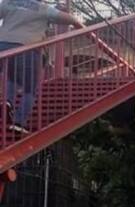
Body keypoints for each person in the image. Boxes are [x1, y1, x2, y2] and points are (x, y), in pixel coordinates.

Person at [0, 0, 82, 132]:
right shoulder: (43, 8)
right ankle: (18, 123)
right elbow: (70, 19)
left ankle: (7, 102)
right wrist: (78, 25)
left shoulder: (10, 3)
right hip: (28, 47)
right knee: (30, 89)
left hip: (3, 46)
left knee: (12, 77)